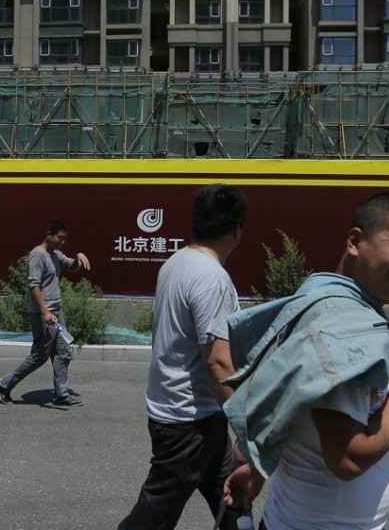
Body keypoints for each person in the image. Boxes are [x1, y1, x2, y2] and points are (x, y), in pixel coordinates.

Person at [222, 192, 389, 530]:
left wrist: (259, 466)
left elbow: (291, 397)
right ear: (355, 241)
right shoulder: (348, 332)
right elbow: (348, 459)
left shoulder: (320, 298)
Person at [118, 184, 252, 530]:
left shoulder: (176, 262)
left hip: (195, 414)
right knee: (152, 516)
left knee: (233, 499)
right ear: (236, 228)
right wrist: (248, 425)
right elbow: (217, 362)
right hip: (188, 422)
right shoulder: (212, 278)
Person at [0, 220, 90, 407]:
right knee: (39, 356)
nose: (61, 242)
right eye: (59, 238)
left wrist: (78, 257)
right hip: (43, 314)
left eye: (64, 240)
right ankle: (5, 384)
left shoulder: (55, 254)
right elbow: (34, 286)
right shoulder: (37, 256)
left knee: (63, 352)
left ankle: (61, 395)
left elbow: (71, 266)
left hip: (56, 313)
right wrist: (45, 311)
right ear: (49, 234)